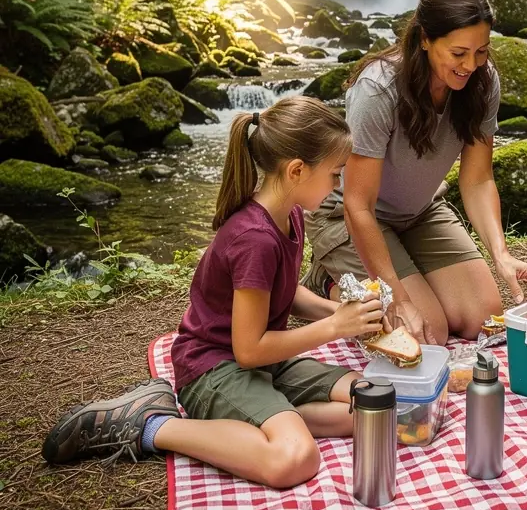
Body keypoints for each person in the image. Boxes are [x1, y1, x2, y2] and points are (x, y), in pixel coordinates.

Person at [42, 97, 385, 489]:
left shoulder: (289, 214)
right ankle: (152, 423)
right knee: (295, 458)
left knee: (371, 404)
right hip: (214, 367)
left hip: (263, 366)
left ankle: (267, 415)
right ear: (296, 170)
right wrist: (335, 328)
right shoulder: (255, 238)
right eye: (335, 174)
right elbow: (248, 349)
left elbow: (281, 296)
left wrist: (341, 313)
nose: (338, 185)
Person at [304, 0, 527, 345]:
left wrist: (502, 255)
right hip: (350, 219)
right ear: (425, 39)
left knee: (481, 317)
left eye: (481, 51)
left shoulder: (483, 81)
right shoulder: (377, 90)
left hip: (419, 211)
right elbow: (358, 205)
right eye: (459, 53)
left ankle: (401, 278)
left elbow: (477, 180)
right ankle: (330, 282)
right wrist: (398, 299)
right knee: (427, 333)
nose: (472, 65)